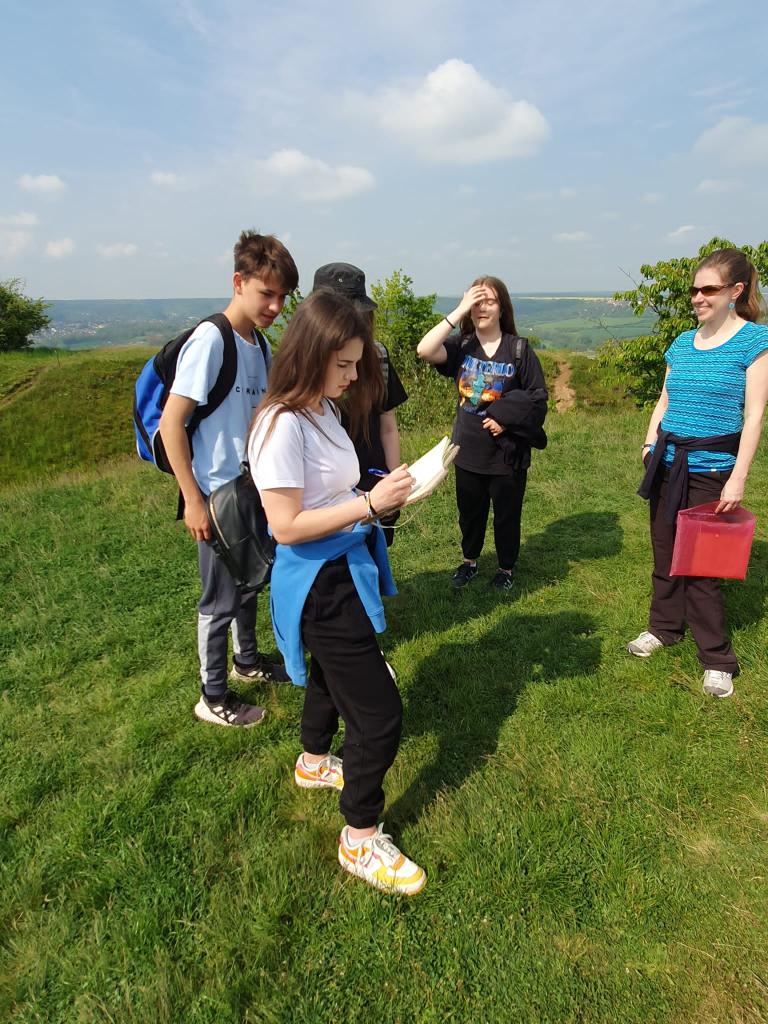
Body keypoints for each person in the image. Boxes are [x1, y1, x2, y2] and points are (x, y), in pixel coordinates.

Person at [248, 289, 427, 895]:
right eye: (344, 364)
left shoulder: (322, 407)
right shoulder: (280, 426)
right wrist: (369, 504)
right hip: (318, 584)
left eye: (356, 364)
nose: (353, 377)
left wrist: (381, 493)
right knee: (380, 716)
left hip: (342, 564)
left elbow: (332, 491)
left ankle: (312, 759)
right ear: (311, 354)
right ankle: (359, 836)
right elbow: (285, 526)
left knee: (329, 675)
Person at [159, 230, 298, 727]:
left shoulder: (258, 343)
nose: (275, 306)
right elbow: (171, 424)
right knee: (219, 599)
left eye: (283, 297)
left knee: (249, 580)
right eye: (267, 294)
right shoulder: (211, 340)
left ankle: (247, 661)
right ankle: (212, 695)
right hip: (216, 495)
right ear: (238, 282)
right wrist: (193, 501)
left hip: (249, 488)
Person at [631, 248, 768, 698]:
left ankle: (716, 658)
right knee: (664, 550)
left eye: (708, 289)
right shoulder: (681, 343)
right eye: (694, 289)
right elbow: (665, 399)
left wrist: (738, 477)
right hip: (666, 463)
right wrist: (649, 443)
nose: (697, 297)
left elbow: (754, 416)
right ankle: (664, 627)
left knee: (703, 567)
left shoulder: (754, 342)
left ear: (736, 291)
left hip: (712, 469)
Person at [416, 276, 548, 590]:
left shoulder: (518, 349)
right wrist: (460, 309)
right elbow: (424, 350)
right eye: (476, 302)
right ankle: (469, 562)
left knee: (506, 516)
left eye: (489, 301)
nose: (482, 308)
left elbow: (537, 398)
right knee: (470, 515)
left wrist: (506, 421)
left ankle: (505, 569)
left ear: (502, 308)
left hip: (506, 454)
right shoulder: (462, 346)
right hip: (467, 450)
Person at [311, 262, 408, 546]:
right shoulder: (306, 369)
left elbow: (387, 424)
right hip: (330, 487)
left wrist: (392, 477)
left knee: (376, 553)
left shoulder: (378, 356)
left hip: (373, 477)